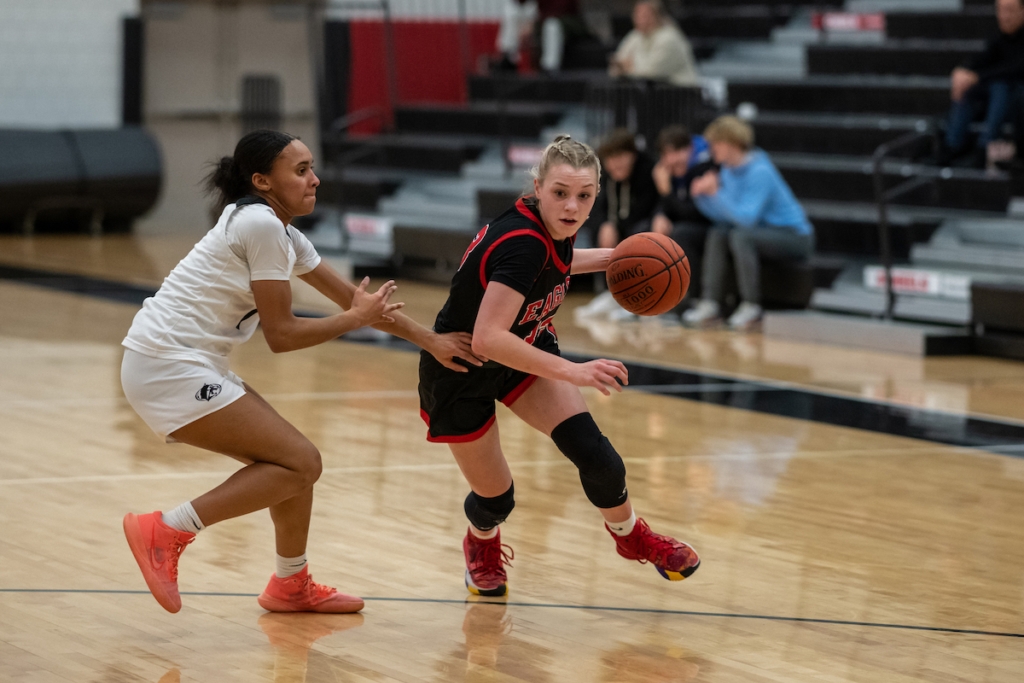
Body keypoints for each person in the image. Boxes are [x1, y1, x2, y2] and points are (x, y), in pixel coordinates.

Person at [120, 130, 482, 614]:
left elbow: (359, 303)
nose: (315, 179)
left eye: (312, 167)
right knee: (301, 462)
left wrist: (430, 341)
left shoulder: (278, 229)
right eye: (301, 170)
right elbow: (283, 335)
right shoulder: (262, 228)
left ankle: (290, 583)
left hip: (178, 361)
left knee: (292, 467)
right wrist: (355, 321)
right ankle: (167, 529)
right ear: (262, 181)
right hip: (166, 364)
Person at [417, 134, 700, 597]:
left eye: (584, 196)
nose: (572, 207)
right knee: (495, 499)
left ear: (596, 195)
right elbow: (488, 338)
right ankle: (480, 542)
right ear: (537, 188)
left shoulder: (549, 228)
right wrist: (573, 370)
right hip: (461, 367)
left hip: (519, 349)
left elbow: (562, 264)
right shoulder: (523, 243)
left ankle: (631, 538)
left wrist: (620, 258)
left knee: (598, 456)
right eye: (561, 194)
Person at [683, 116, 813, 330]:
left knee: (740, 236)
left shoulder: (759, 171)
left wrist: (716, 193)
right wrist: (702, 196)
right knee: (718, 232)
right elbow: (723, 217)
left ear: (731, 143)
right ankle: (710, 303)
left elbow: (745, 219)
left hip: (794, 236)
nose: (711, 148)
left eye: (716, 143)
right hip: (761, 232)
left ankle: (752, 306)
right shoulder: (728, 170)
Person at [575, 128, 660, 321]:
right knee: (599, 229)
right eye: (610, 159)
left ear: (632, 155)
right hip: (620, 225)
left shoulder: (648, 170)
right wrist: (607, 224)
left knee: (639, 235)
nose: (615, 164)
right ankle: (610, 293)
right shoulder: (604, 174)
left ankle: (638, 297)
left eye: (620, 157)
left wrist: (616, 224)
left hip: (643, 226)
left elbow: (649, 208)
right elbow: (596, 208)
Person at [940, 0, 1024, 168]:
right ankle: (951, 146)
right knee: (970, 88)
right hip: (999, 96)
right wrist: (963, 71)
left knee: (1000, 86)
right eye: (1000, 10)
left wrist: (977, 76)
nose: (1004, 16)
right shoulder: (1001, 37)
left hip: (1017, 97)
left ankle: (984, 148)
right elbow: (981, 58)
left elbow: (1016, 68)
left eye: (1009, 10)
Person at [650, 125, 715, 303]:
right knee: (645, 230)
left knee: (682, 233)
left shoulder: (704, 167)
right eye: (666, 154)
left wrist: (666, 192)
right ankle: (648, 291)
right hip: (687, 222)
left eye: (677, 152)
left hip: (710, 225)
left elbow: (693, 213)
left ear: (690, 149)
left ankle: (688, 297)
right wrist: (661, 215)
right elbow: (666, 206)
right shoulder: (669, 171)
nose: (671, 159)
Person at [609, 0, 699, 86]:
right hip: (653, 95)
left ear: (657, 16)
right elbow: (615, 66)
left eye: (645, 15)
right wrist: (623, 66)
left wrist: (628, 67)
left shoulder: (669, 37)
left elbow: (652, 72)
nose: (639, 19)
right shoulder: (635, 36)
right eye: (637, 14)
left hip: (682, 94)